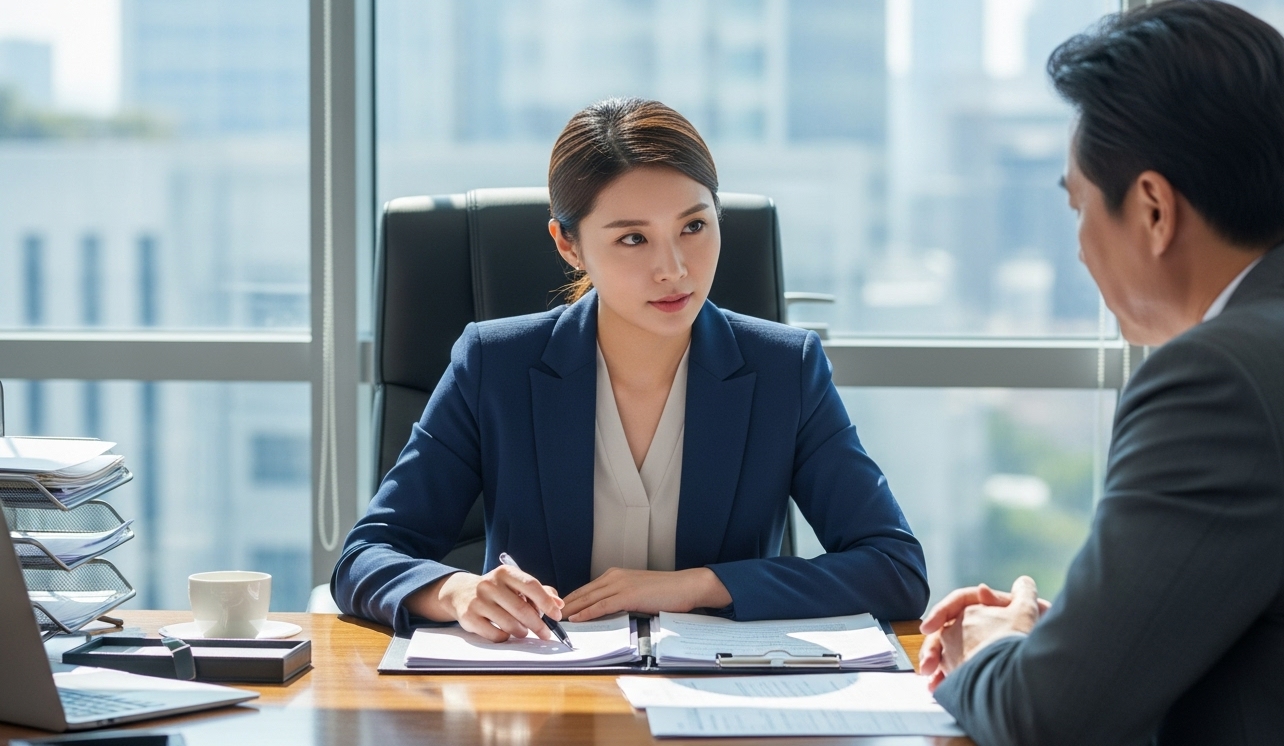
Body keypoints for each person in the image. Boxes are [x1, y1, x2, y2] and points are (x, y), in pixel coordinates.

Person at [919, 0, 1284, 745]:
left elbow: (1050, 719)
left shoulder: (1221, 381)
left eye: (1079, 206)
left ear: (1152, 209)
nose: (1080, 247)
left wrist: (994, 649)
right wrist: (1079, 640)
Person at [332, 98, 929, 641]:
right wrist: (457, 590)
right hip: (541, 696)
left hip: (721, 703)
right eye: (633, 239)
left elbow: (894, 568)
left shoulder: (785, 370)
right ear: (569, 245)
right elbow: (365, 556)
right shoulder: (496, 364)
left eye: (694, 227)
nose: (674, 269)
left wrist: (698, 586)